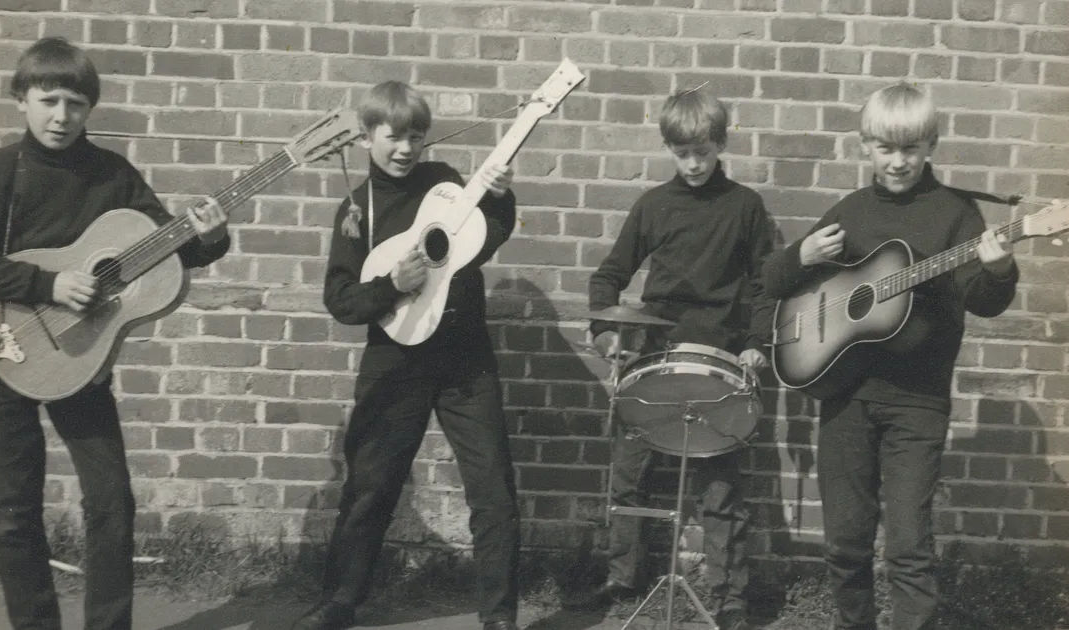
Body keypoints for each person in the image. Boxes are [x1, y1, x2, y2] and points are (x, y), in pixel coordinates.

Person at [0, 36, 231, 630]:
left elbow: (164, 254)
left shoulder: (113, 175)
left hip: (80, 357)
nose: (61, 116)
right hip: (2, 349)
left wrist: (209, 237)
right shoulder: (0, 172)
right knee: (12, 510)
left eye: (75, 104)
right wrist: (46, 285)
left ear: (90, 109)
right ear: (21, 100)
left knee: (111, 502)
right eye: (48, 99)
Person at [757, 82, 1018, 630]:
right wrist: (800, 255)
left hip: (918, 404)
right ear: (864, 146)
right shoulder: (850, 211)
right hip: (846, 398)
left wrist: (998, 269)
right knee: (845, 542)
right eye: (885, 148)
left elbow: (985, 301)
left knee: (908, 546)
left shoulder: (956, 215)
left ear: (931, 146)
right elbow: (774, 285)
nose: (898, 162)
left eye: (911, 149)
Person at [292, 81, 521, 630]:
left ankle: (499, 617)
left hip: (465, 361)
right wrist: (392, 285)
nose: (404, 149)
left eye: (416, 137)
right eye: (393, 137)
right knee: (371, 484)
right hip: (394, 361)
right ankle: (341, 602)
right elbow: (341, 299)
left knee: (493, 489)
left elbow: (483, 241)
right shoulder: (356, 210)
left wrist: (498, 197)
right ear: (369, 135)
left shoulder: (444, 184)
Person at [565, 88, 776, 630]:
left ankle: (730, 596)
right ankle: (623, 577)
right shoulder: (654, 205)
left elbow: (766, 285)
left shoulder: (745, 207)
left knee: (720, 486)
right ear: (669, 149)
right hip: (654, 355)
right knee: (630, 473)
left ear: (721, 144)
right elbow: (610, 275)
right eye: (681, 154)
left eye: (702, 152)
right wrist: (605, 330)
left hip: (719, 359)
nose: (693, 164)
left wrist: (756, 341)